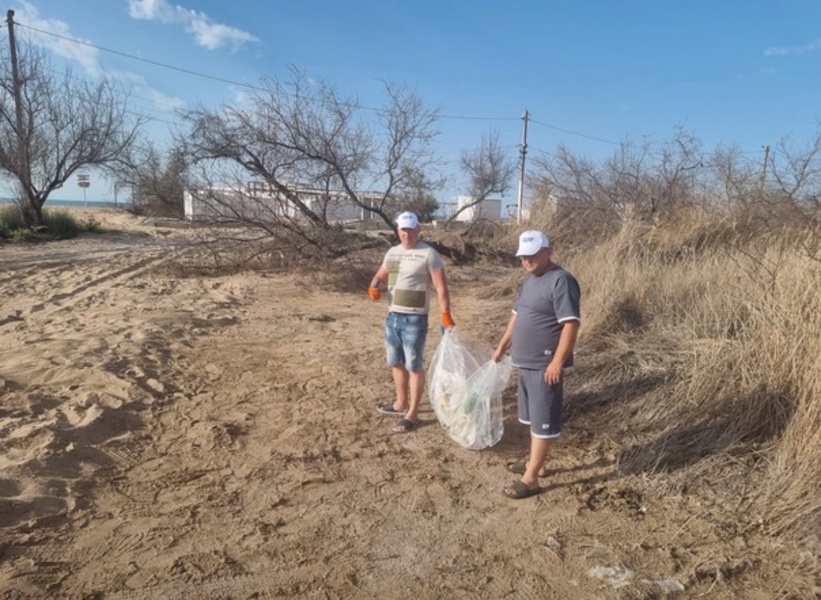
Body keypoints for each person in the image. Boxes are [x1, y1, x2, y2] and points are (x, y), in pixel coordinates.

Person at [492, 230, 581, 499]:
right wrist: (502, 346)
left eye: (533, 255)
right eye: (523, 256)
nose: (527, 261)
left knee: (543, 421)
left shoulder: (562, 281)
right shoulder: (528, 282)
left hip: (545, 366)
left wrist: (557, 361)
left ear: (548, 251)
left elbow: (571, 324)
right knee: (531, 419)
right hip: (525, 362)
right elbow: (516, 317)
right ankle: (536, 464)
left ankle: (531, 479)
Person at [368, 211, 454, 433]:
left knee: (414, 366)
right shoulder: (393, 252)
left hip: (415, 319)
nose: (407, 234)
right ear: (398, 230)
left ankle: (413, 414)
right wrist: (374, 284)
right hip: (393, 316)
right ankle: (400, 403)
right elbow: (382, 273)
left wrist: (445, 314)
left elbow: (441, 287)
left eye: (411, 229)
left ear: (418, 230)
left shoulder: (428, 254)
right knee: (396, 362)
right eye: (403, 230)